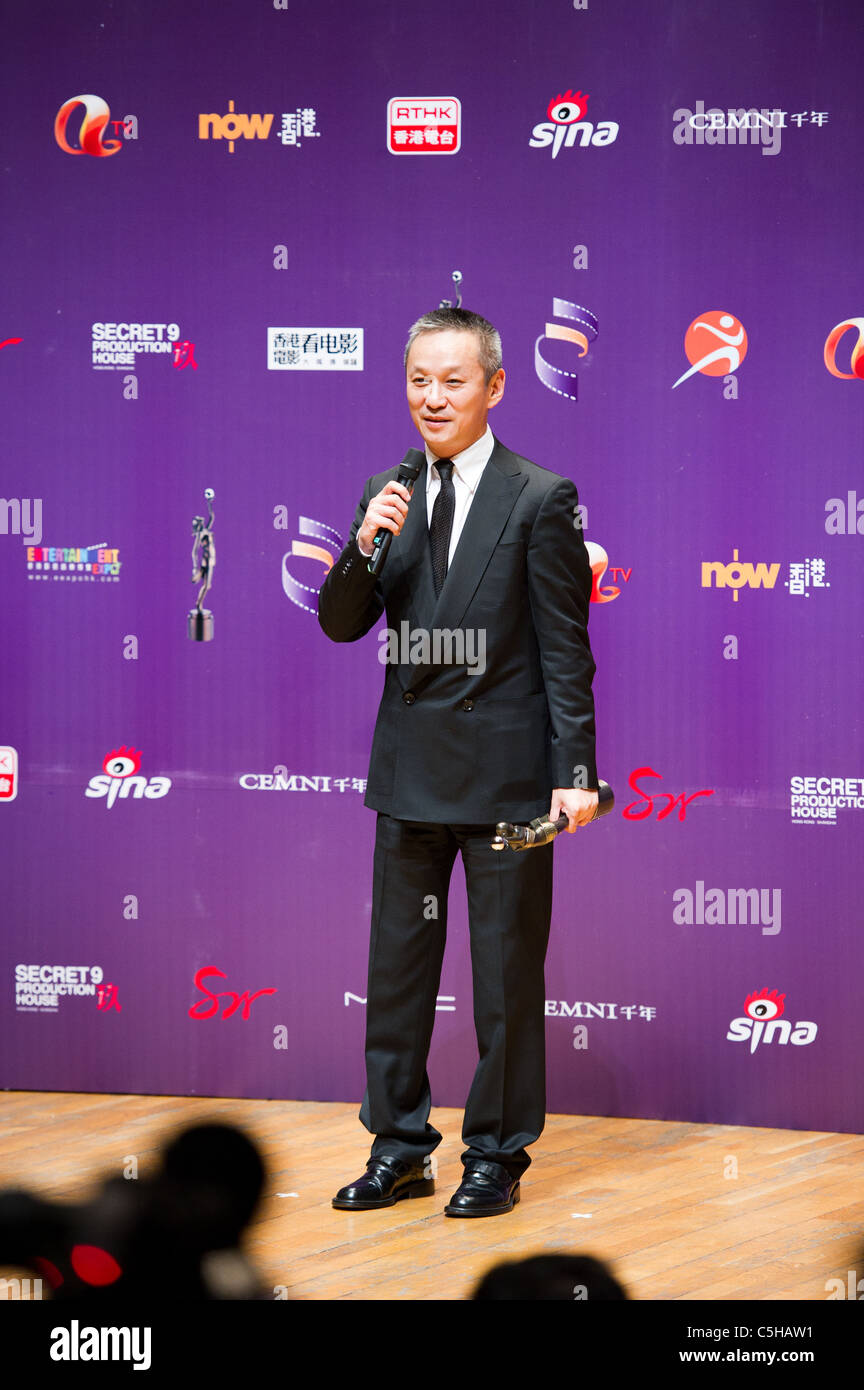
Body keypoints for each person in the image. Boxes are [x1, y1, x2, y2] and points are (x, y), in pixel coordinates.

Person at [318, 306, 598, 1217]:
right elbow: (341, 622)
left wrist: (577, 771)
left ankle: (497, 1155)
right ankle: (398, 1145)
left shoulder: (539, 497)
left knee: (506, 979)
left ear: (495, 387)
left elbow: (565, 648)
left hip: (509, 780)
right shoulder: (386, 490)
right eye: (418, 381)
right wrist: (364, 544)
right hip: (408, 771)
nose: (432, 399)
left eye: (452, 381)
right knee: (396, 972)